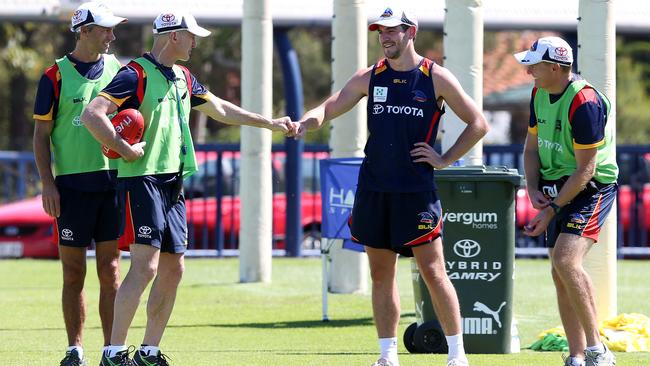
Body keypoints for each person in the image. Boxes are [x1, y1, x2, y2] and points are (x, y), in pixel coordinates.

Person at [81, 11, 297, 366]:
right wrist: (122, 147)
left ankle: (148, 353)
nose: (196, 41)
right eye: (191, 35)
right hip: (142, 180)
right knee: (145, 267)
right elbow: (93, 114)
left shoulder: (183, 76)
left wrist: (269, 123)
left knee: (174, 268)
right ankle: (114, 353)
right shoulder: (133, 74)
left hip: (173, 182)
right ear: (173, 37)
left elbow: (221, 109)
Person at [295, 6, 488, 366]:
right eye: (380, 31)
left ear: (410, 32)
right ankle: (387, 356)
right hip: (374, 190)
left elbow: (478, 123)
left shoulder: (435, 76)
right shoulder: (371, 76)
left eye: (392, 30)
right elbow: (332, 105)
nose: (385, 36)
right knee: (380, 275)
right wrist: (309, 120)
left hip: (415, 192)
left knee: (433, 272)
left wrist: (444, 159)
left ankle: (457, 355)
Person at [32, 3, 127, 365]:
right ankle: (75, 349)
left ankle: (111, 350)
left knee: (112, 270)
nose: (112, 36)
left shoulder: (120, 70)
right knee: (73, 272)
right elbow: (41, 136)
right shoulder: (53, 75)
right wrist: (47, 183)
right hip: (71, 188)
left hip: (114, 184)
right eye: (105, 29)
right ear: (84, 30)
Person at [514, 36, 618, 366]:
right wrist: (532, 190)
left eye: (535, 64)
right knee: (560, 272)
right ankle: (575, 356)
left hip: (590, 187)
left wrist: (553, 209)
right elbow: (531, 148)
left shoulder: (584, 102)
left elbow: (586, 169)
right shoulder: (538, 92)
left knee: (566, 260)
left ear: (556, 67)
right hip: (556, 185)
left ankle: (598, 351)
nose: (528, 69)